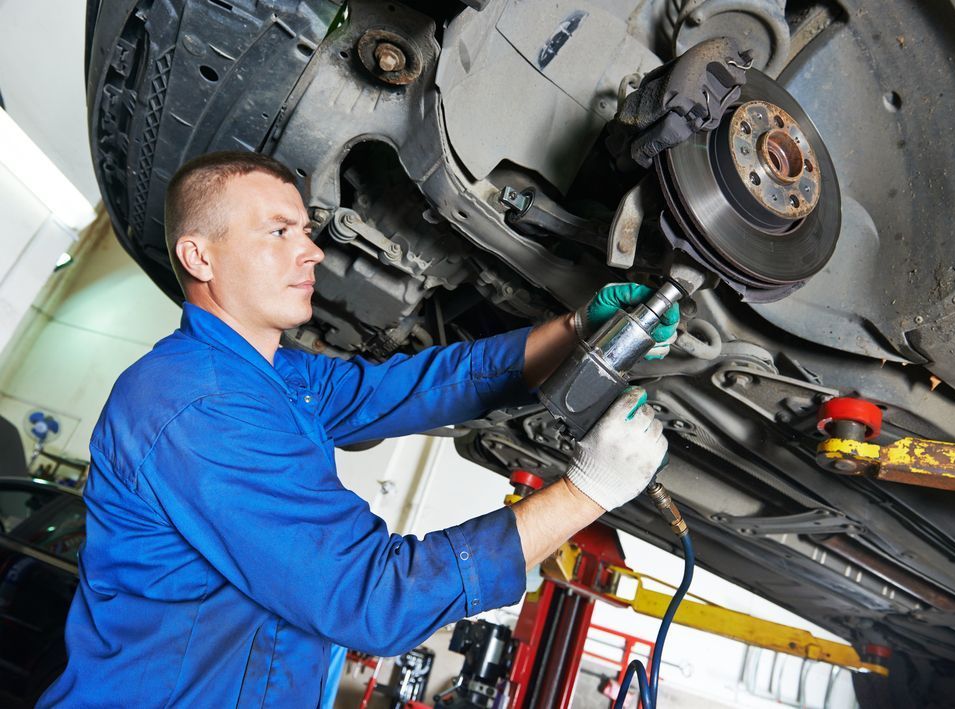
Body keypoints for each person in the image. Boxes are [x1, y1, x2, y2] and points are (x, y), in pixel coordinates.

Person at [38, 151, 679, 707]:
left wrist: (575, 330)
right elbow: (374, 599)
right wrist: (586, 492)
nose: (312, 248)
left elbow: (414, 388)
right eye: (279, 231)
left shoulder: (272, 376)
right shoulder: (195, 405)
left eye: (307, 230)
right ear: (199, 255)